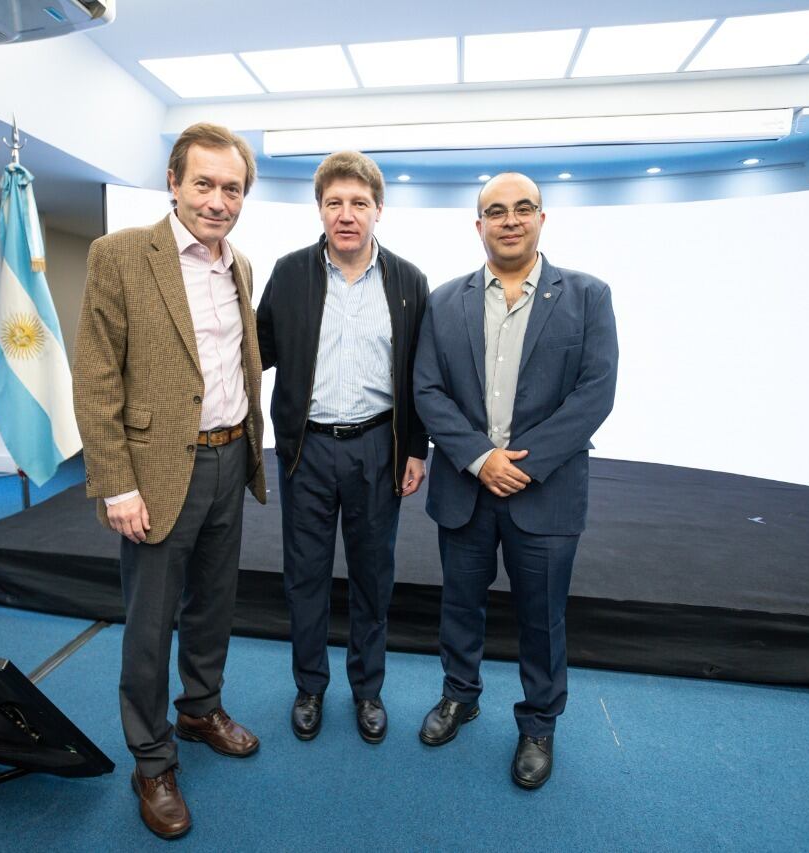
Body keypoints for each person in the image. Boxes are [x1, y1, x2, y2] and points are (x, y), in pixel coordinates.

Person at [72, 123, 266, 840]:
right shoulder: (121, 254)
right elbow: (95, 378)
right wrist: (115, 483)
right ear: (174, 183)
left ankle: (200, 707)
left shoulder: (239, 264)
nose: (218, 200)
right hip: (154, 472)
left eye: (232, 188)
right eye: (205, 184)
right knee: (150, 625)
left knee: (215, 605)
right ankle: (151, 759)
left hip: (227, 459)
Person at [413, 172, 618, 790]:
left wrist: (521, 465)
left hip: (546, 493)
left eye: (522, 208)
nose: (509, 220)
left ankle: (538, 724)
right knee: (459, 606)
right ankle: (460, 695)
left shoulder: (587, 295)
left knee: (543, 618)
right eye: (495, 211)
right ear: (478, 226)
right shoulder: (444, 300)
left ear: (541, 219)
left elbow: (595, 393)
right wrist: (481, 457)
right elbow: (427, 388)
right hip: (465, 487)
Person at [256, 151, 429, 744]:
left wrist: (417, 448)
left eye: (359, 203)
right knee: (304, 576)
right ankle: (310, 686)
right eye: (335, 203)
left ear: (378, 210)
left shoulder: (408, 281)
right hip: (307, 450)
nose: (347, 214)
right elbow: (256, 353)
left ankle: (367, 690)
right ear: (320, 209)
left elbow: (417, 376)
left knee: (372, 576)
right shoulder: (289, 273)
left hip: (377, 448)